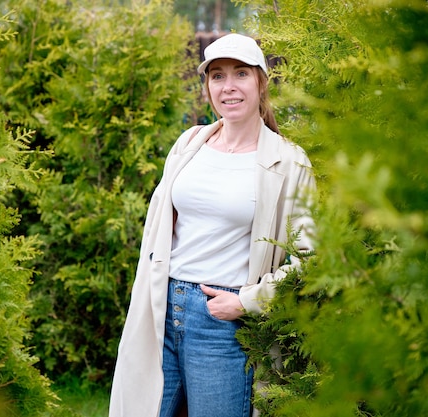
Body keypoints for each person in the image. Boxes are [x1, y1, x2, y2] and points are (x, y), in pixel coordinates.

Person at [109, 33, 316, 417]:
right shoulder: (189, 144)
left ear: (261, 82)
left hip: (223, 323)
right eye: (217, 76)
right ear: (207, 86)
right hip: (162, 310)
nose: (229, 86)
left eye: (241, 74)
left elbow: (310, 258)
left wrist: (245, 302)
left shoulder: (289, 162)